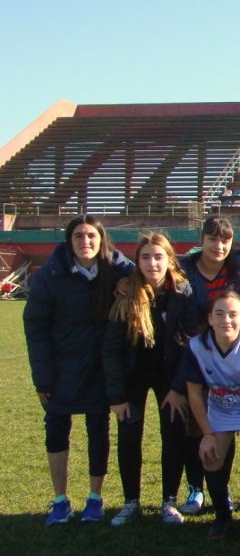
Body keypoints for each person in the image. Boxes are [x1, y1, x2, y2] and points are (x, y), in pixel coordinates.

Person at [24, 216, 134, 525]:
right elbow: (36, 326)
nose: (85, 242)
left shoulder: (115, 268)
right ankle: (60, 500)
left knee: (98, 429)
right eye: (78, 236)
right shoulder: (51, 274)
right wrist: (42, 377)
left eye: (91, 236)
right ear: (69, 241)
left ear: (101, 240)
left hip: (100, 367)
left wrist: (128, 281)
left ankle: (94, 498)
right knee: (57, 428)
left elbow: (145, 274)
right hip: (61, 368)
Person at [103, 232, 200, 527]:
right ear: (138, 261)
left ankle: (168, 501)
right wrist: (117, 396)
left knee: (173, 436)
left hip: (170, 377)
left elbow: (191, 342)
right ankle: (131, 502)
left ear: (169, 259)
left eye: (158, 256)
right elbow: (112, 349)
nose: (152, 262)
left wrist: (177, 388)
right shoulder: (125, 292)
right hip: (133, 376)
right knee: (130, 436)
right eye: (145, 256)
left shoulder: (183, 292)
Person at [176, 216, 240, 517]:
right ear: (201, 239)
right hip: (197, 352)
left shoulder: (239, 262)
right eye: (212, 239)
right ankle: (198, 489)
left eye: (225, 240)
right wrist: (126, 279)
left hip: (235, 354)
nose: (219, 246)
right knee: (200, 432)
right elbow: (149, 265)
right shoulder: (183, 267)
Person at [182, 292, 240, 540]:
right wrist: (207, 434)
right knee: (211, 457)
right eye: (220, 314)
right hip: (223, 408)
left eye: (233, 314)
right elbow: (194, 393)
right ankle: (223, 517)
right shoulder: (197, 347)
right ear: (210, 318)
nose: (227, 320)